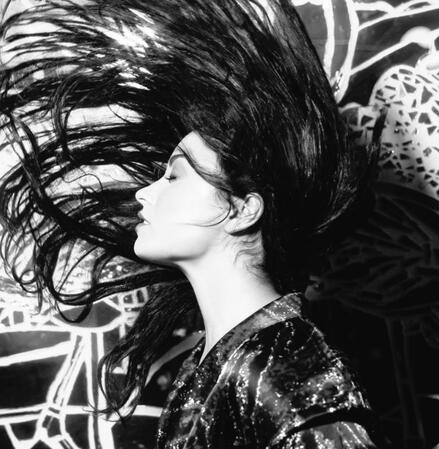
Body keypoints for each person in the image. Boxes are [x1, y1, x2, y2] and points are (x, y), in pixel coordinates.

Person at [0, 0, 387, 447]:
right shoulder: (220, 361)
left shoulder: (282, 366)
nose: (144, 193)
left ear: (242, 210)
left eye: (174, 175)